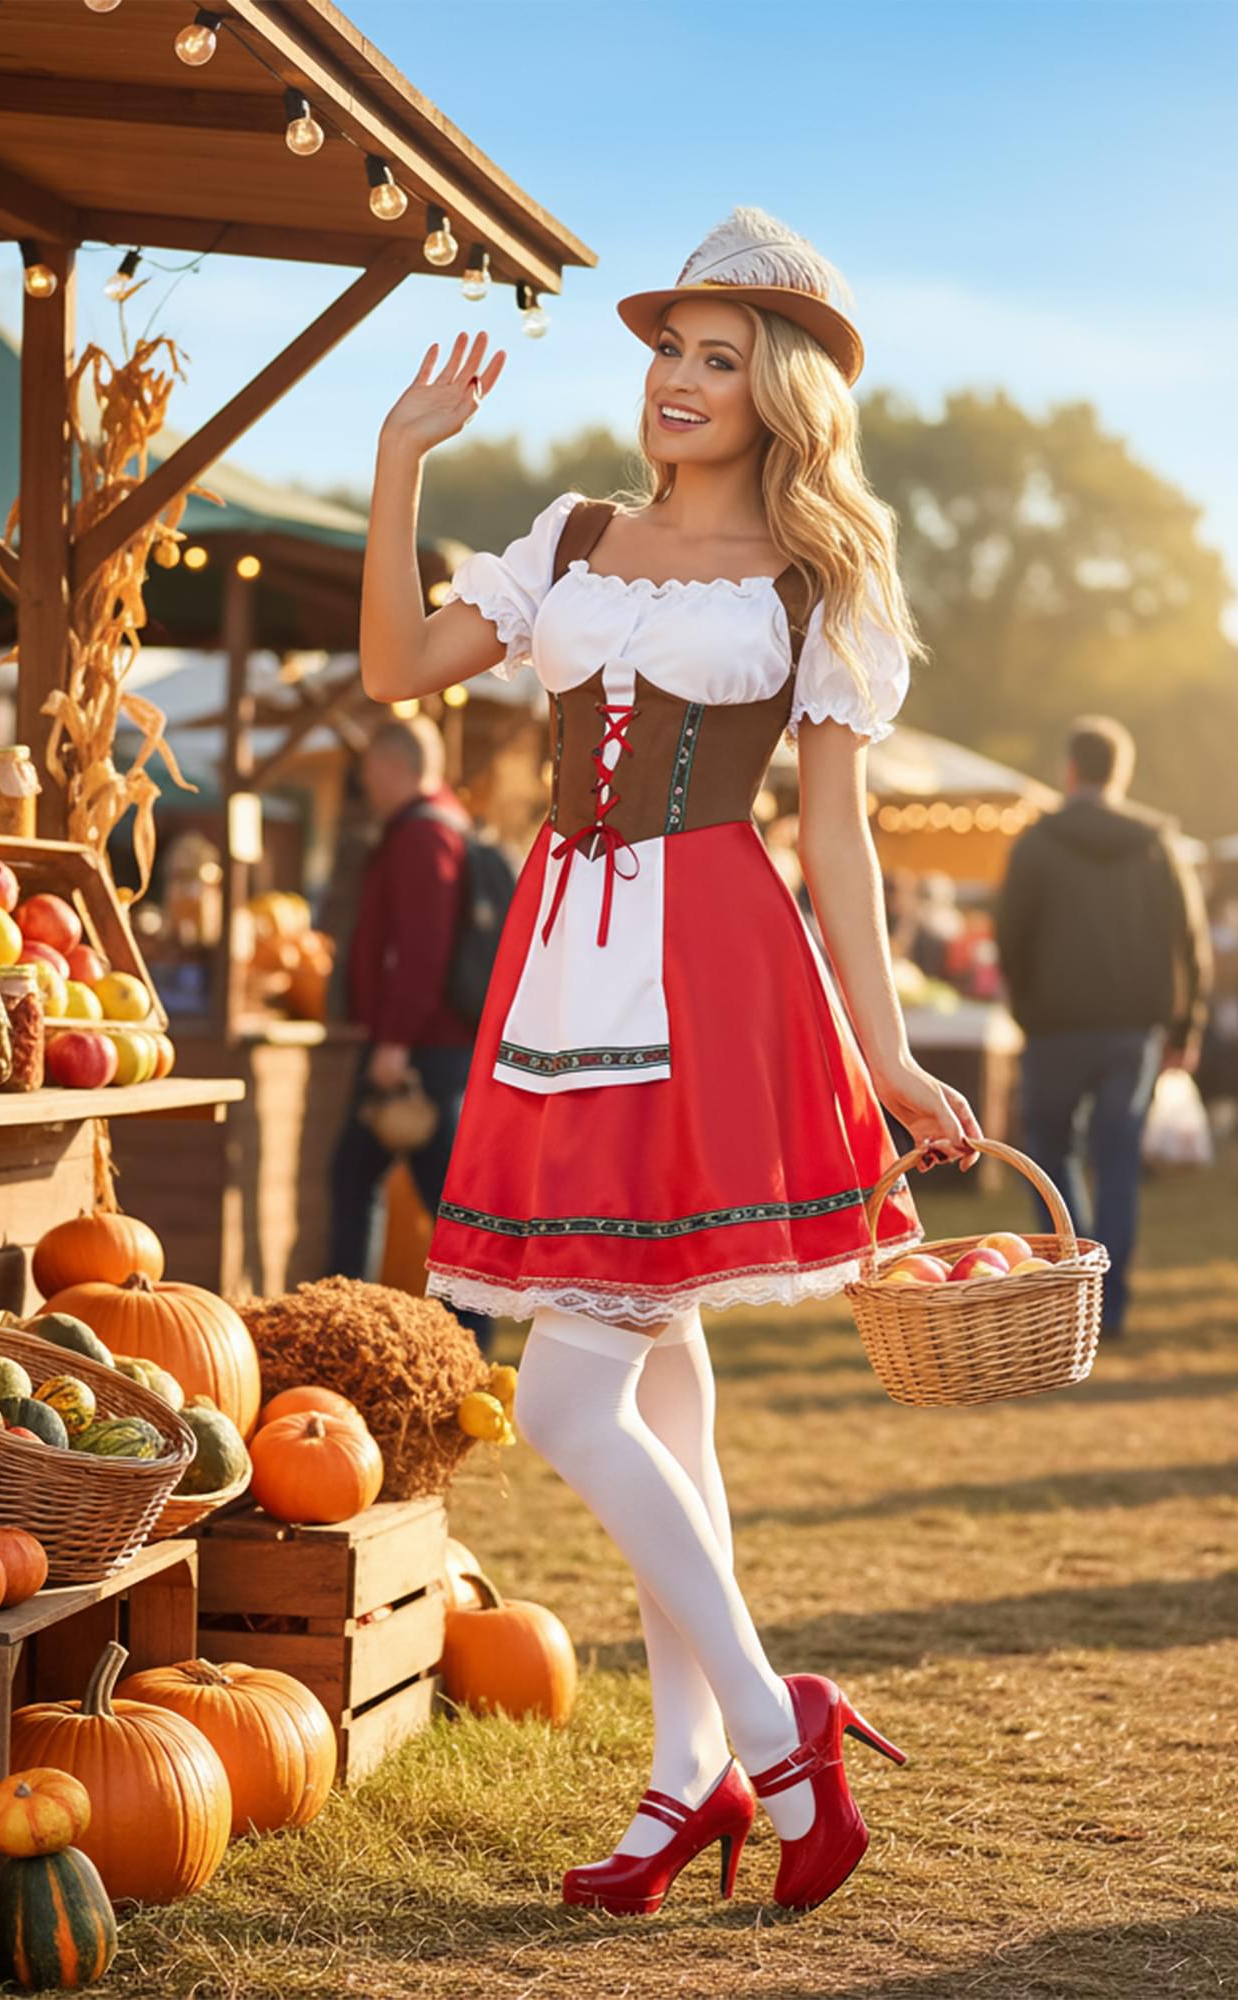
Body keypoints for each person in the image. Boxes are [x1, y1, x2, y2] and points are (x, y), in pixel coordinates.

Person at [360, 207, 981, 1917]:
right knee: (664, 1401)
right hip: (563, 964)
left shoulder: (818, 577)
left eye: (720, 358)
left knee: (572, 1398)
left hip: (709, 969)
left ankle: (779, 1737)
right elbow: (398, 667)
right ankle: (689, 1774)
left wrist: (888, 1051)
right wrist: (403, 460)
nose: (680, 381)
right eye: (668, 351)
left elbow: (839, 841)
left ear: (781, 391)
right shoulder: (570, 537)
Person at [994, 716, 1211, 1336]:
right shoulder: (1156, 844)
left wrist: (1026, 1008)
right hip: (1131, 1031)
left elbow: (1010, 935)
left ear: (1070, 771)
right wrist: (1186, 1028)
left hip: (1054, 1027)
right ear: (1122, 773)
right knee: (1118, 1162)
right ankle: (1108, 1302)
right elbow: (1190, 941)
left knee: (1051, 1156)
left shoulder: (1037, 843)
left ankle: (1072, 1284)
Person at [327, 715, 492, 1353]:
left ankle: (454, 1344)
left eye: (370, 769)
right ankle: (354, 1327)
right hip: (427, 1045)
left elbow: (423, 949)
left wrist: (394, 1041)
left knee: (433, 1205)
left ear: (392, 766)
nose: (366, 783)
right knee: (366, 1182)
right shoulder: (441, 825)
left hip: (421, 1051)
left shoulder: (423, 836)